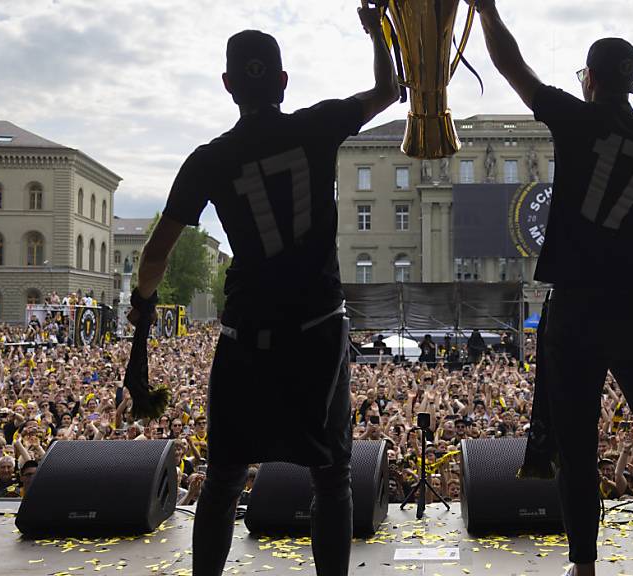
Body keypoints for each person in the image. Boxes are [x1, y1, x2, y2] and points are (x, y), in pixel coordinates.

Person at [127, 6, 399, 575]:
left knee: (224, 478)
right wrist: (377, 30)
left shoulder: (207, 160)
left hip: (246, 337)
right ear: (282, 81)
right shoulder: (317, 125)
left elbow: (154, 257)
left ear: (227, 86)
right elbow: (388, 88)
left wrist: (142, 308)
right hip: (318, 336)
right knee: (331, 477)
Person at [468, 2, 633, 575]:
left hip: (575, 309)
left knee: (576, 444)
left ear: (591, 80)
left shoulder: (575, 119)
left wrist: (486, 10)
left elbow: (511, 67)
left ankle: (585, 565)